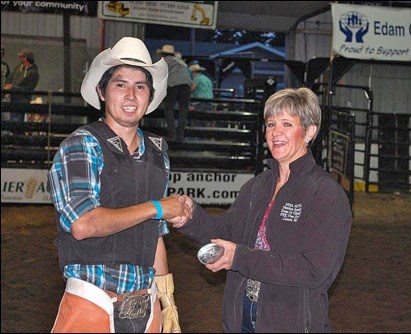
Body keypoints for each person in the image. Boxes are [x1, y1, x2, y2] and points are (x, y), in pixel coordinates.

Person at [170, 87, 353, 332]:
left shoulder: (325, 193)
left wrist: (239, 257)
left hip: (291, 323)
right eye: (270, 124)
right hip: (242, 320)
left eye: (287, 124)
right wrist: (191, 217)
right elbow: (228, 230)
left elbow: (313, 269)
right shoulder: (257, 186)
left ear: (309, 132)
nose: (275, 132)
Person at [47, 37, 191, 333]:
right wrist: (156, 208)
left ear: (149, 97)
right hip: (93, 301)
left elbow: (155, 237)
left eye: (140, 86)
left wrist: (167, 300)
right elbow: (83, 224)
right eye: (120, 84)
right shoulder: (82, 145)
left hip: (145, 303)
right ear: (102, 91)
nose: (131, 95)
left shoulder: (157, 151)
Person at [157, 44, 192, 141]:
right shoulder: (180, 62)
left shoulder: (165, 61)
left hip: (174, 84)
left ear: (163, 54)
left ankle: (172, 133)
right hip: (187, 84)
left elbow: (160, 76)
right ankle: (180, 135)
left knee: (169, 108)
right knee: (183, 110)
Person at [4, 48, 39, 122]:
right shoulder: (18, 67)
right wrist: (8, 86)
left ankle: (17, 132)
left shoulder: (34, 73)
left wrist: (13, 87)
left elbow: (29, 88)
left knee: (17, 120)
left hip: (23, 100)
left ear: (25, 58)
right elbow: (10, 77)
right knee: (13, 119)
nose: (20, 58)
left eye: (21, 56)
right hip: (13, 99)